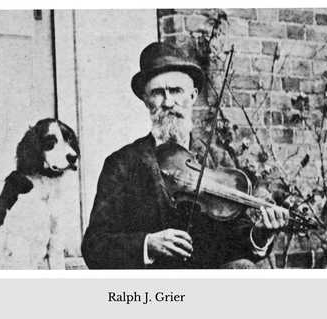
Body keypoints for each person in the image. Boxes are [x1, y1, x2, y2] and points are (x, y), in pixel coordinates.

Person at [81, 42, 289, 269]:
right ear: (145, 99)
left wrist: (260, 234)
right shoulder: (122, 163)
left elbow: (234, 243)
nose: (169, 103)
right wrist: (147, 243)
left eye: (176, 91)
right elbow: (94, 246)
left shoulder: (217, 161)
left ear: (193, 95)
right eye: (158, 93)